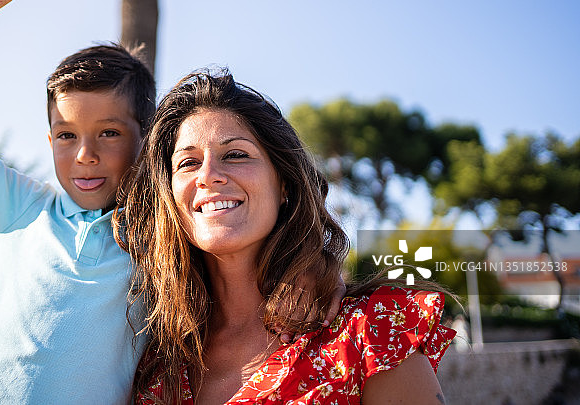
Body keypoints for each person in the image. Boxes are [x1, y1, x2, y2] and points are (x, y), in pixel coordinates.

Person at [0, 0, 343, 404]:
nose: (85, 154)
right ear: (49, 140)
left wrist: (316, 270)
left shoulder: (162, 233)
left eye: (109, 133)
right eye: (66, 136)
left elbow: (246, 247)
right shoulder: (19, 207)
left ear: (147, 139)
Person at [115, 70, 456, 404]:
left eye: (235, 154)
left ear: (284, 185)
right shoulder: (155, 363)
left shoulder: (371, 335)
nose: (208, 176)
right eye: (188, 163)